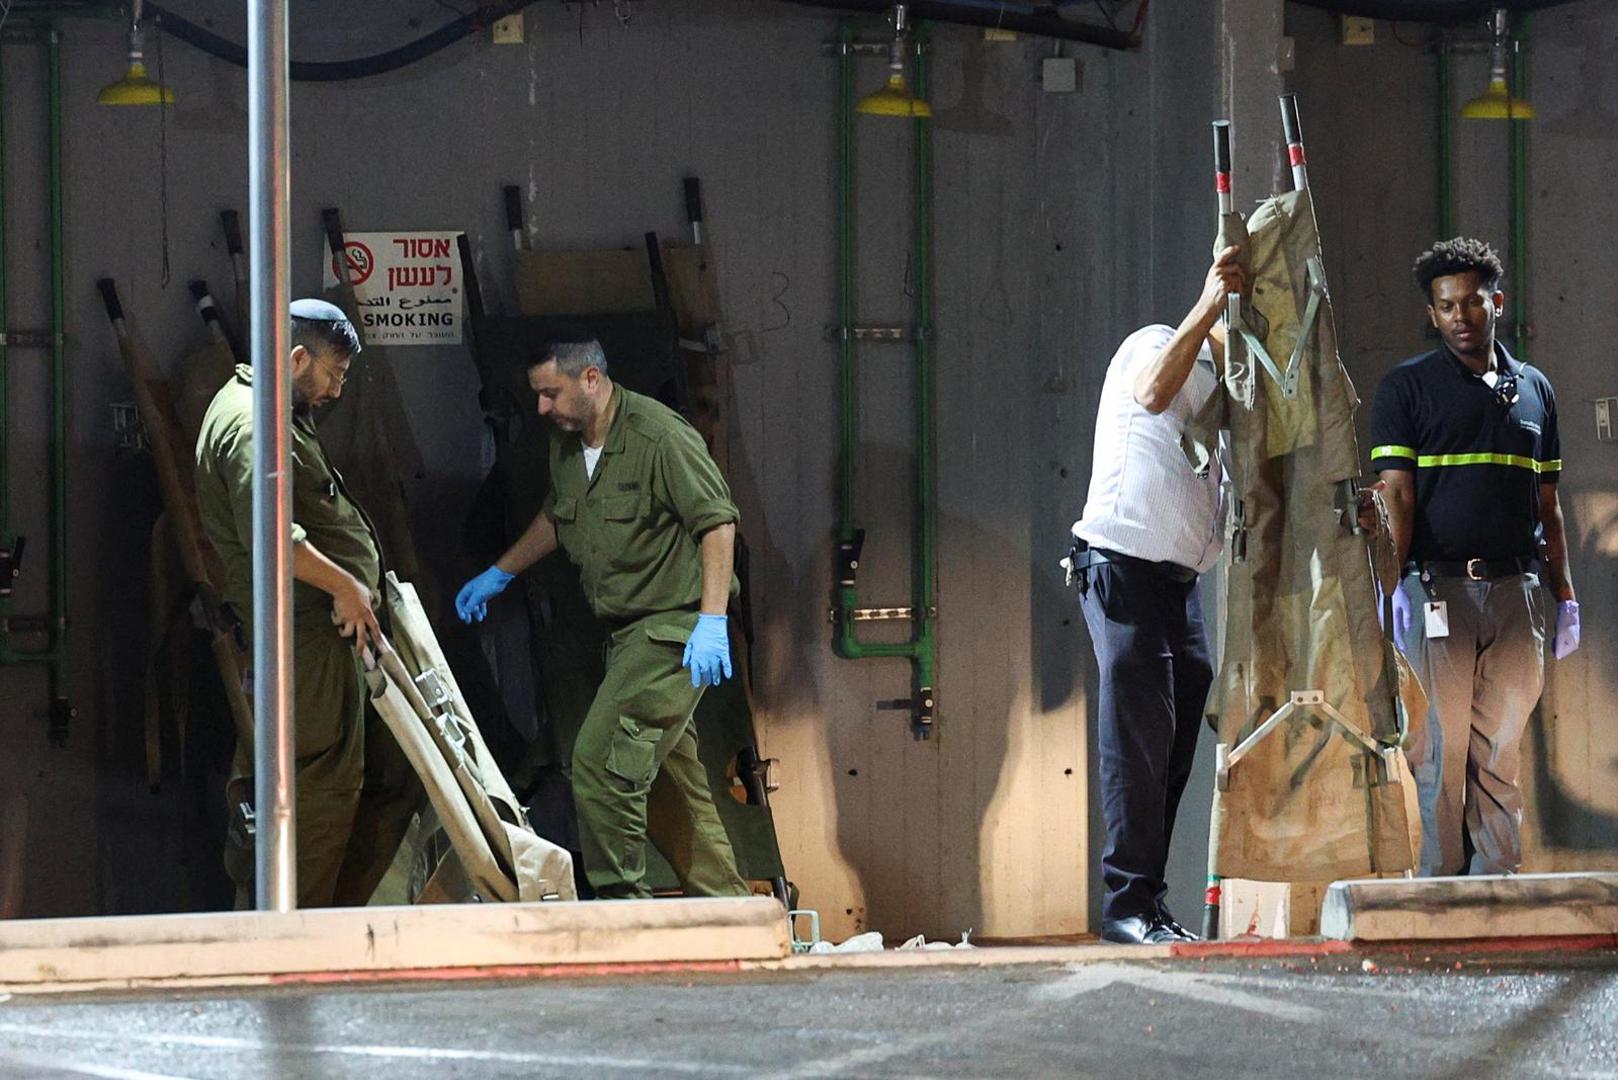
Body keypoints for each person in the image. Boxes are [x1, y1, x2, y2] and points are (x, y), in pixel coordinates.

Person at [454, 334, 749, 900]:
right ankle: (732, 913)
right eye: (538, 396)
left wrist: (711, 621)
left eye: (551, 394)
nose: (542, 408)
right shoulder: (567, 443)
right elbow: (559, 515)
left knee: (599, 764)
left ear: (591, 378)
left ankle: (620, 906)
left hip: (673, 630)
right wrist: (501, 573)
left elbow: (716, 523)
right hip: (624, 634)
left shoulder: (659, 436)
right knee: (668, 784)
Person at [195, 299, 418, 908]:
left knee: (372, 778)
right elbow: (272, 537)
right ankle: (295, 946)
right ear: (297, 358)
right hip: (301, 642)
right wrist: (345, 585)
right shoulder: (250, 425)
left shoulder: (274, 412)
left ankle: (312, 925)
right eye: (334, 375)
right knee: (315, 796)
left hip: (314, 638)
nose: (337, 391)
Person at [1370, 237, 1580, 877]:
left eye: (1473, 302)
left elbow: (1549, 504)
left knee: (1499, 755)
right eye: (1446, 305)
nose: (1461, 315)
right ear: (1432, 314)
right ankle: (1439, 901)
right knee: (1436, 757)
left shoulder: (1535, 389)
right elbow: (1395, 498)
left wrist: (1566, 596)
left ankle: (1497, 895)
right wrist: (1389, 587)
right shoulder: (1406, 389)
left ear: (1497, 303)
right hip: (1437, 593)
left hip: (1517, 595)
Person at [1068, 246, 1243, 944]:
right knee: (1137, 748)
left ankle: (1148, 899)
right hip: (1123, 569)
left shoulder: (1232, 388)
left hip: (1178, 586)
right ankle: (1125, 908)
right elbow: (1149, 394)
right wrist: (1206, 305)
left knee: (1169, 751)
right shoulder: (1159, 344)